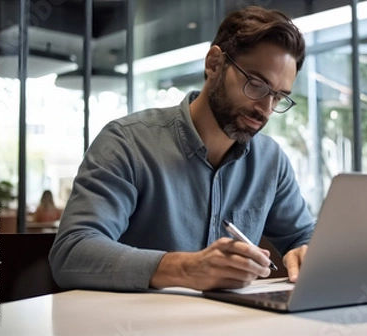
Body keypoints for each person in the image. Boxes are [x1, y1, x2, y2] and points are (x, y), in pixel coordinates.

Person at [49, 6, 315, 292]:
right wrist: (185, 269)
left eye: (278, 97)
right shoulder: (127, 143)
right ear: (214, 63)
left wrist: (308, 251)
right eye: (256, 84)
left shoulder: (271, 162)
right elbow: (71, 253)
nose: (265, 108)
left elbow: (304, 236)